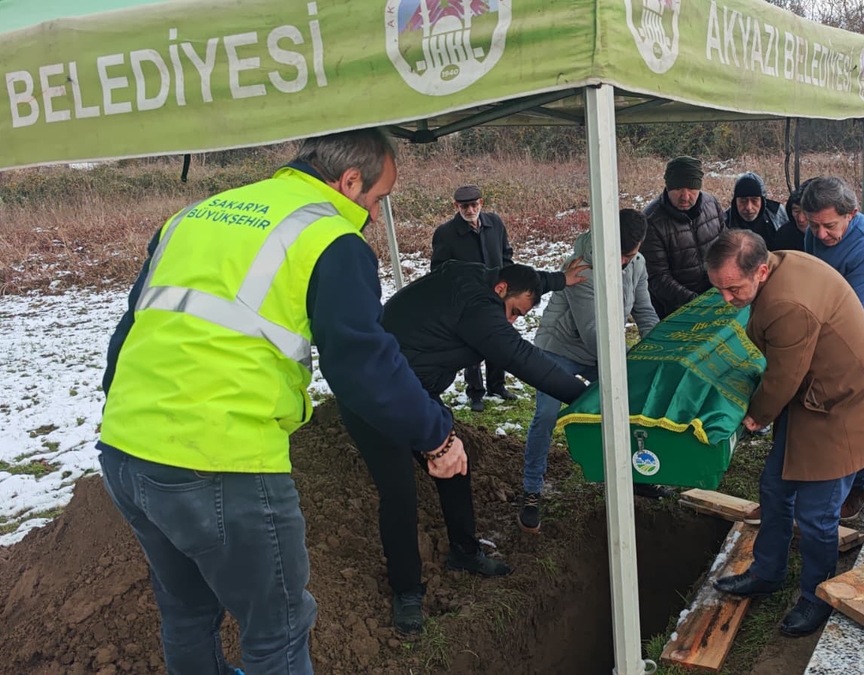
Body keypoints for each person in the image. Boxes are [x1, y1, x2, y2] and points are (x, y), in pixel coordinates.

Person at [97, 129, 465, 675]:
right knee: (279, 634)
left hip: (126, 450)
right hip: (224, 460)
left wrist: (130, 413)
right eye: (379, 198)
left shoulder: (194, 216)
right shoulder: (331, 239)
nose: (375, 212)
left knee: (187, 616)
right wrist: (437, 435)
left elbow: (129, 331)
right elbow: (363, 366)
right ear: (349, 181)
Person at [341, 260, 588, 634]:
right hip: (372, 396)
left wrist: (557, 280)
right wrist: (585, 398)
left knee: (455, 461)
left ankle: (465, 552)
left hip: (412, 389)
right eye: (513, 313)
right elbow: (521, 357)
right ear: (500, 290)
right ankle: (407, 591)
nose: (512, 323)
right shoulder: (479, 309)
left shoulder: (477, 278)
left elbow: (521, 277)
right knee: (399, 492)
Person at [705, 230, 864, 638]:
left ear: (761, 270)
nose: (726, 299)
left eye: (733, 288)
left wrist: (756, 416)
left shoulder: (786, 303)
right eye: (719, 288)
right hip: (814, 400)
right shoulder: (780, 265)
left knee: (817, 516)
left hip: (844, 410)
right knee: (775, 489)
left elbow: (782, 379)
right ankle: (767, 571)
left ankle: (817, 597)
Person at [519, 209, 662, 532]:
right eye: (622, 255)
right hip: (560, 350)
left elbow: (644, 312)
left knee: (630, 406)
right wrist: (626, 366)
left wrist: (656, 355)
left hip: (602, 349)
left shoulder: (636, 264)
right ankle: (531, 490)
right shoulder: (580, 268)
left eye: (632, 254)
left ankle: (637, 475)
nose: (626, 261)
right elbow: (593, 331)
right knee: (546, 415)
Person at [430, 184, 587, 412]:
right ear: (456, 206)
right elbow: (439, 270)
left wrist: (511, 284)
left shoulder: (495, 223)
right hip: (469, 302)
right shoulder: (445, 233)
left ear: (481, 203)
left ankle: (497, 386)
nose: (470, 209)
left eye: (474, 204)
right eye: (465, 206)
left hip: (501, 294)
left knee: (499, 341)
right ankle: (475, 392)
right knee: (472, 347)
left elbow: (506, 254)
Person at [802, 177, 864, 522]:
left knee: (858, 416)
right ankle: (826, 475)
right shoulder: (814, 233)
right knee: (830, 409)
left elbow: (851, 314)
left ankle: (856, 487)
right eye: (813, 225)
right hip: (829, 329)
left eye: (829, 226)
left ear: (852, 214)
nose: (819, 235)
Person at [640, 155, 727, 319]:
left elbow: (725, 248)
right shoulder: (651, 221)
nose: (685, 196)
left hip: (717, 299)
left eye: (691, 189)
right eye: (678, 189)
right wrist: (696, 302)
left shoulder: (712, 205)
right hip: (674, 310)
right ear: (667, 186)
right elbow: (658, 277)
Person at [724, 172, 800, 251]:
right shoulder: (724, 222)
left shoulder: (777, 213)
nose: (749, 208)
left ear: (763, 201)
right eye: (743, 201)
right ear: (735, 202)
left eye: (754, 201)